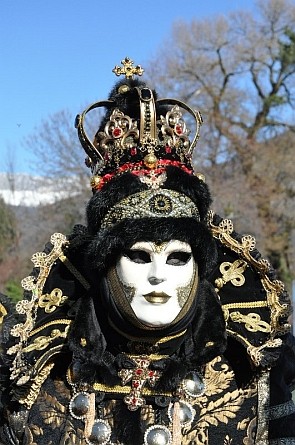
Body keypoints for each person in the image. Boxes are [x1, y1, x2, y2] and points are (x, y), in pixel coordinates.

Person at [0, 57, 294, 445]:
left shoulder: (258, 365)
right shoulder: (34, 369)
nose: (159, 276)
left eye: (178, 257)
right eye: (139, 256)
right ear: (104, 264)